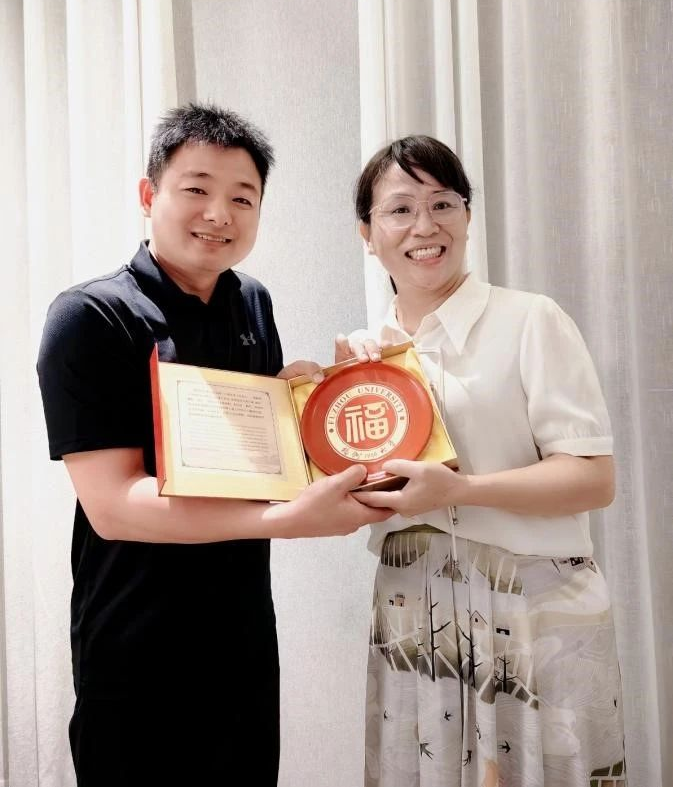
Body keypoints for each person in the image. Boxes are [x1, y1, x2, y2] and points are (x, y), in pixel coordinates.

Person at [37, 102, 391, 787]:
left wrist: (313, 406)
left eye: (242, 198)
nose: (218, 214)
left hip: (241, 638)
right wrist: (285, 520)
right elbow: (114, 505)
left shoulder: (251, 301)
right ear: (149, 195)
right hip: (134, 645)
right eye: (196, 189)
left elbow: (255, 462)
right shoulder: (91, 315)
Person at [339, 135, 626, 786]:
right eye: (400, 209)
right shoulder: (363, 357)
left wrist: (458, 490)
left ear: (467, 216)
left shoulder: (530, 320)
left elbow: (592, 478)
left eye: (443, 203)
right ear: (367, 234)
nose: (424, 226)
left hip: (535, 608)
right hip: (413, 611)